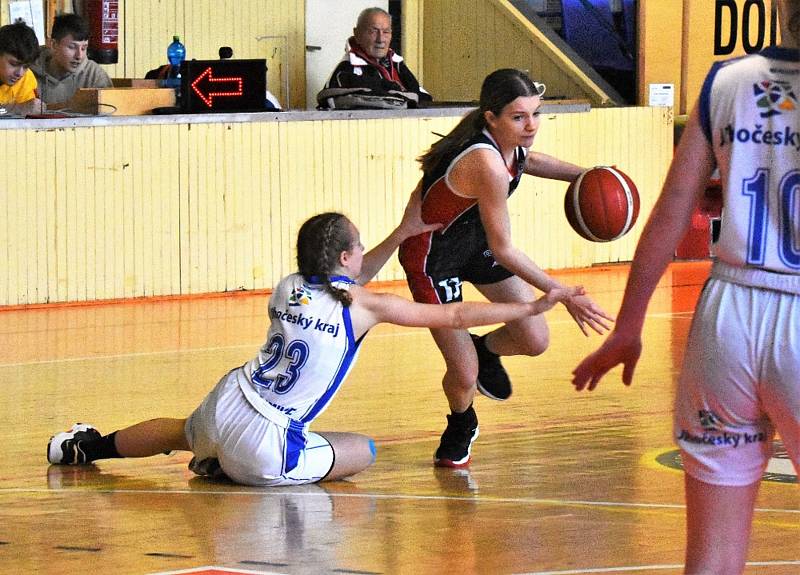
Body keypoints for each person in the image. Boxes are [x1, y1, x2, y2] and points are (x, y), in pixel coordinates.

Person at [47, 190, 585, 487]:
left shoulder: (288, 286)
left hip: (227, 399)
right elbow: (458, 315)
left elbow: (347, 278)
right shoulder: (366, 307)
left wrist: (400, 234)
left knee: (182, 431)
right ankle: (227, 470)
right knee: (364, 452)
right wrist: (534, 305)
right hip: (265, 444)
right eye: (356, 249)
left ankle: (83, 448)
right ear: (348, 259)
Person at [571, 1, 799, 573]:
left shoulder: (726, 81)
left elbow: (673, 214)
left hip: (726, 320)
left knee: (712, 561)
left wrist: (627, 327)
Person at [398, 68, 613, 468]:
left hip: (473, 243)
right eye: (518, 117)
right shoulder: (486, 164)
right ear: (491, 118)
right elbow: (505, 248)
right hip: (432, 257)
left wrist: (586, 175)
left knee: (534, 339)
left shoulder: (509, 145)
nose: (530, 126)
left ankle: (484, 348)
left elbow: (531, 161)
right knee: (463, 375)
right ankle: (461, 421)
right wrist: (559, 292)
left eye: (535, 114)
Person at [317, 7, 432, 110]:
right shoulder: (346, 69)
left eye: (386, 32)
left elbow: (424, 98)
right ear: (357, 34)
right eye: (373, 31)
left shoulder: (396, 63)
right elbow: (330, 99)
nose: (381, 39)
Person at [30, 13, 112, 107]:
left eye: (84, 48)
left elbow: (110, 114)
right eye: (72, 47)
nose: (79, 56)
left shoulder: (94, 75)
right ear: (53, 45)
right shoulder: (27, 71)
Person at [0, 21, 44, 116]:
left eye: (26, 66)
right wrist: (16, 108)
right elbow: (21, 109)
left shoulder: (26, 78)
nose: (20, 73)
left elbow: (30, 113)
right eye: (14, 64)